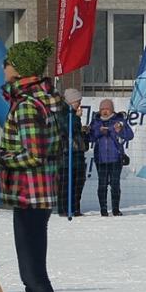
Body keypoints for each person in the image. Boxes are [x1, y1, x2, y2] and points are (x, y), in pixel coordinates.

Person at [0, 39, 69, 292]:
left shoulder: (27, 105)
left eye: (8, 62)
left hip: (30, 194)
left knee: (33, 276)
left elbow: (34, 154)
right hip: (39, 194)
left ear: (20, 69)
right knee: (34, 274)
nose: (3, 66)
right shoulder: (45, 98)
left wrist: (0, 157)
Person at [87, 99, 133, 216]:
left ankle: (116, 209)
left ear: (112, 109)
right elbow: (90, 138)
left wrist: (120, 130)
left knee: (115, 184)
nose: (104, 111)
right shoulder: (96, 122)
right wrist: (99, 132)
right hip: (100, 158)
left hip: (116, 158)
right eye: (102, 109)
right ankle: (103, 209)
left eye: (106, 109)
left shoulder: (119, 120)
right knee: (102, 184)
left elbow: (129, 136)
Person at [61, 86, 88, 217]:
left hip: (78, 153)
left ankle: (76, 207)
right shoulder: (65, 114)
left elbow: (76, 131)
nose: (80, 104)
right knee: (69, 183)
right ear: (72, 101)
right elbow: (68, 128)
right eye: (78, 101)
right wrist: (77, 118)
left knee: (79, 182)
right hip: (68, 155)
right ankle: (67, 208)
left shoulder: (72, 114)